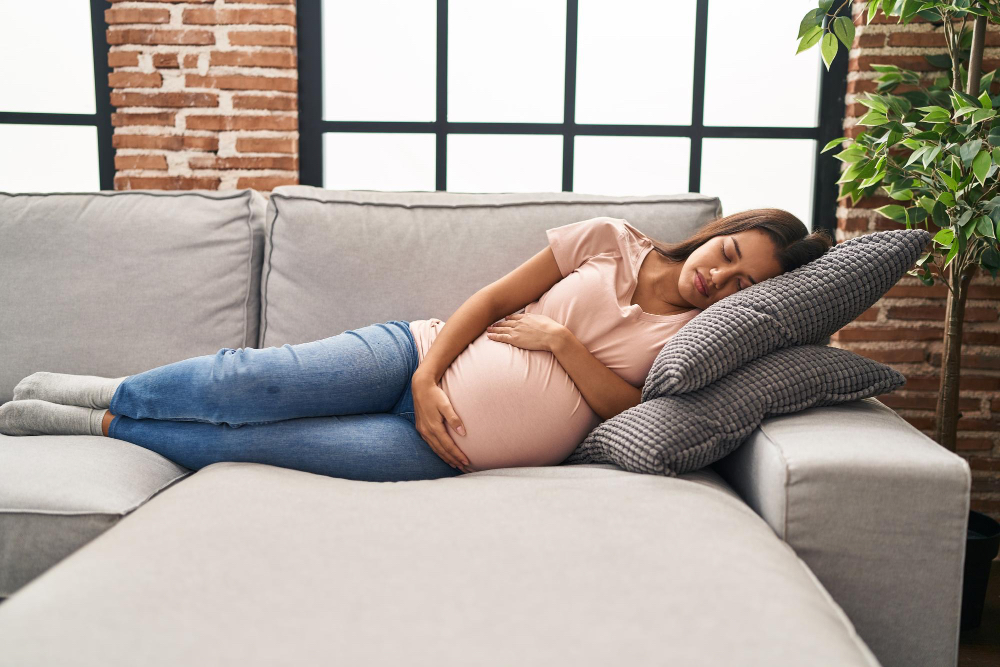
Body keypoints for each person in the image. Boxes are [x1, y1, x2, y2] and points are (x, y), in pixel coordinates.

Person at [0, 209, 832, 483]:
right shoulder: (612, 239)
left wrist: (562, 345)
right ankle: (109, 387)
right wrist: (430, 372)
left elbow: (635, 406)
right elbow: (494, 299)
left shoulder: (704, 335)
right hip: (412, 355)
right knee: (244, 381)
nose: (718, 281)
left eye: (742, 284)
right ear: (721, 233)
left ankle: (98, 426)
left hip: (438, 451)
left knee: (252, 451)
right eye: (729, 256)